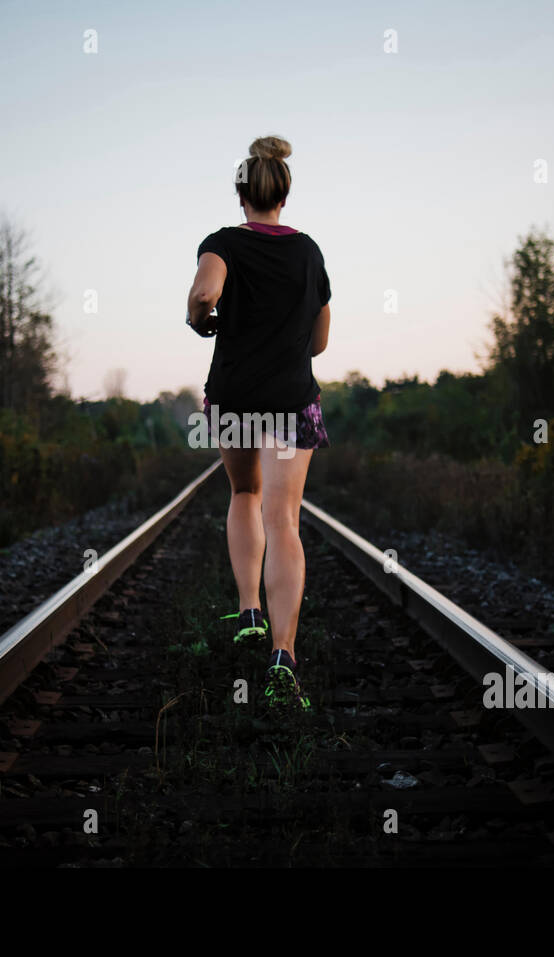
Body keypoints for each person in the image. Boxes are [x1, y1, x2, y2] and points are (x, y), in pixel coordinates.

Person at [184, 134, 332, 711]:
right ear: (283, 197)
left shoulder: (221, 243)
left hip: (235, 396)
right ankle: (283, 656)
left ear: (241, 194)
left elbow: (204, 293)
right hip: (291, 398)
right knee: (284, 520)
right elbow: (319, 339)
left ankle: (249, 608)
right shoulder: (309, 252)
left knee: (244, 492)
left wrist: (203, 320)